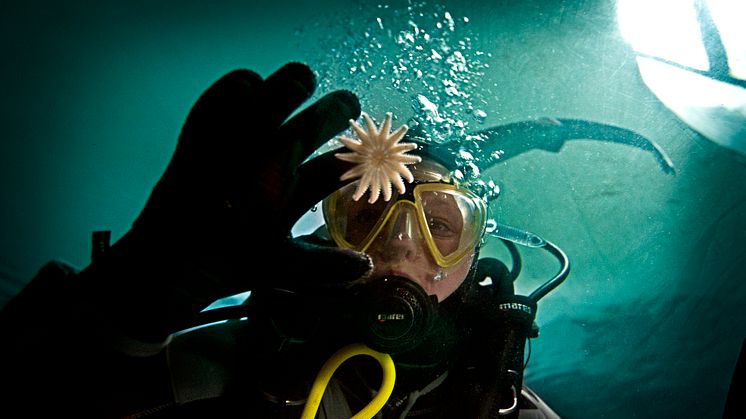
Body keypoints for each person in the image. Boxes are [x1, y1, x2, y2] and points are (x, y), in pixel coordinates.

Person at [0, 63, 560, 418]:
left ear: (475, 248)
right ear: (326, 229)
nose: (401, 246)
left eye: (441, 226)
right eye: (366, 214)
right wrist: (117, 318)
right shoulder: (226, 369)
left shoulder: (501, 401)